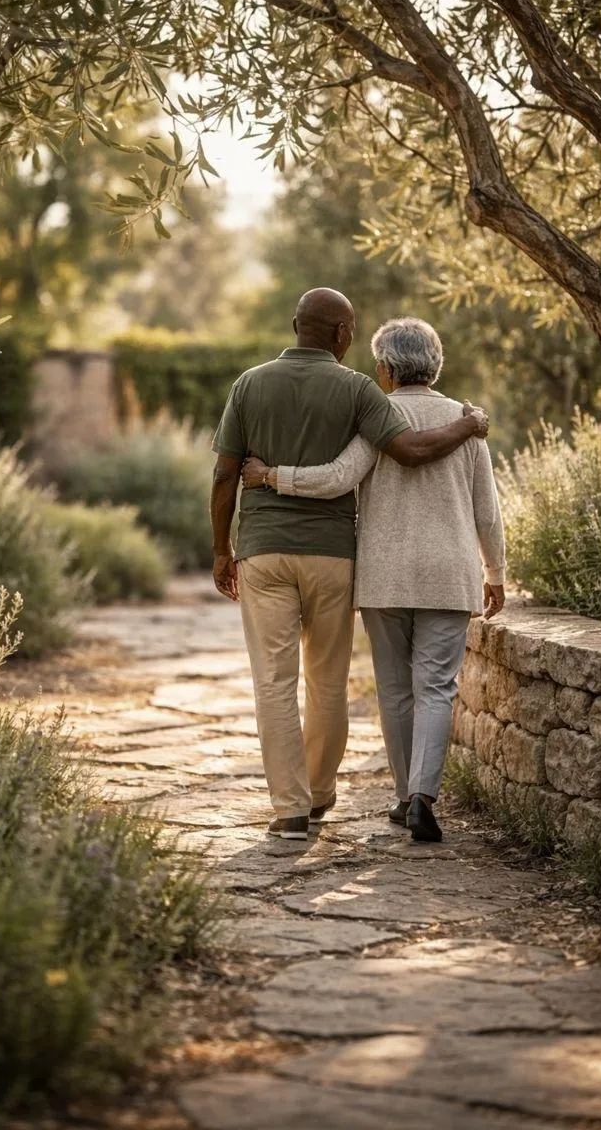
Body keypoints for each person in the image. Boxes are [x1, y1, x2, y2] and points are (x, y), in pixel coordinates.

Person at [211, 290, 489, 841]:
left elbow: (224, 475)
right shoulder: (358, 389)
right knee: (328, 681)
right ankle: (320, 794)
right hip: (334, 556)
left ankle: (289, 810)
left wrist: (222, 548)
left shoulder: (249, 384)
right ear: (343, 336)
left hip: (263, 550)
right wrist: (468, 424)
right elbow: (409, 449)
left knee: (273, 682)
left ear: (295, 325)